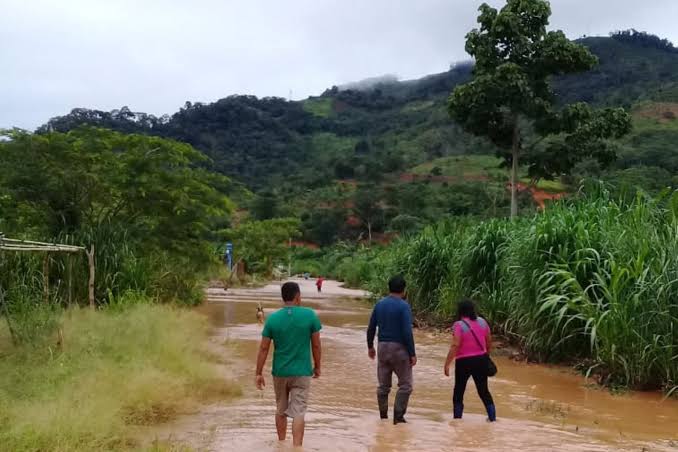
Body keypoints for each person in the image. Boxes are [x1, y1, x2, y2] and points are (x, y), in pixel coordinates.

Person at [255, 282, 322, 447]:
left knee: (281, 409)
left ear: (283, 298)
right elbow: (316, 345)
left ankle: (281, 445)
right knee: (299, 412)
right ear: (298, 296)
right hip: (302, 372)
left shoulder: (273, 319)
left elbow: (264, 348)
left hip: (280, 371)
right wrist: (318, 366)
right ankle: (297, 447)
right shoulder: (310, 315)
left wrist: (258, 372)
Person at [366, 275, 416, 424]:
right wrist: (412, 353)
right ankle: (398, 418)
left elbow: (371, 328)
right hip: (399, 348)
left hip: (382, 347)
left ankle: (383, 417)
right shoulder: (403, 306)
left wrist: (370, 346)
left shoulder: (379, 304)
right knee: (405, 385)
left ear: (389, 288)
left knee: (383, 386)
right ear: (404, 290)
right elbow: (407, 331)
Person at [443, 298, 496, 422]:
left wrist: (447, 364)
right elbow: (489, 342)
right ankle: (493, 419)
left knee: (459, 391)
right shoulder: (483, 322)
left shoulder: (458, 325)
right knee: (483, 391)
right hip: (481, 359)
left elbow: (455, 345)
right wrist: (485, 356)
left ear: (460, 311)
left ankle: (457, 421)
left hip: (464, 362)